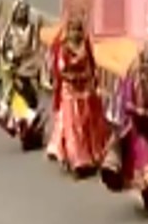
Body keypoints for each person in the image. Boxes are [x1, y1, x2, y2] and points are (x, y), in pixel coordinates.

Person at [102, 45, 148, 214]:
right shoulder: (133, 80)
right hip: (138, 131)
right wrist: (140, 112)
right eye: (146, 62)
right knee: (145, 163)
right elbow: (127, 104)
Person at [47, 15, 110, 177]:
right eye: (73, 30)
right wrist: (75, 78)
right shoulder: (64, 48)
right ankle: (77, 161)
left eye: (79, 30)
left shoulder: (85, 45)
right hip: (70, 92)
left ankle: (91, 156)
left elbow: (91, 65)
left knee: (88, 123)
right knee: (74, 128)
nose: (76, 33)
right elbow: (61, 70)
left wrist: (91, 80)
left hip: (86, 91)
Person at [0, 0, 46, 150]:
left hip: (31, 68)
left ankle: (32, 132)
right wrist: (10, 62)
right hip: (16, 70)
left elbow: (36, 46)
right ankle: (22, 122)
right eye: (20, 11)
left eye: (25, 11)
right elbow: (4, 49)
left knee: (33, 99)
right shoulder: (10, 31)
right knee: (21, 98)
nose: (22, 14)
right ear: (15, 13)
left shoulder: (31, 28)